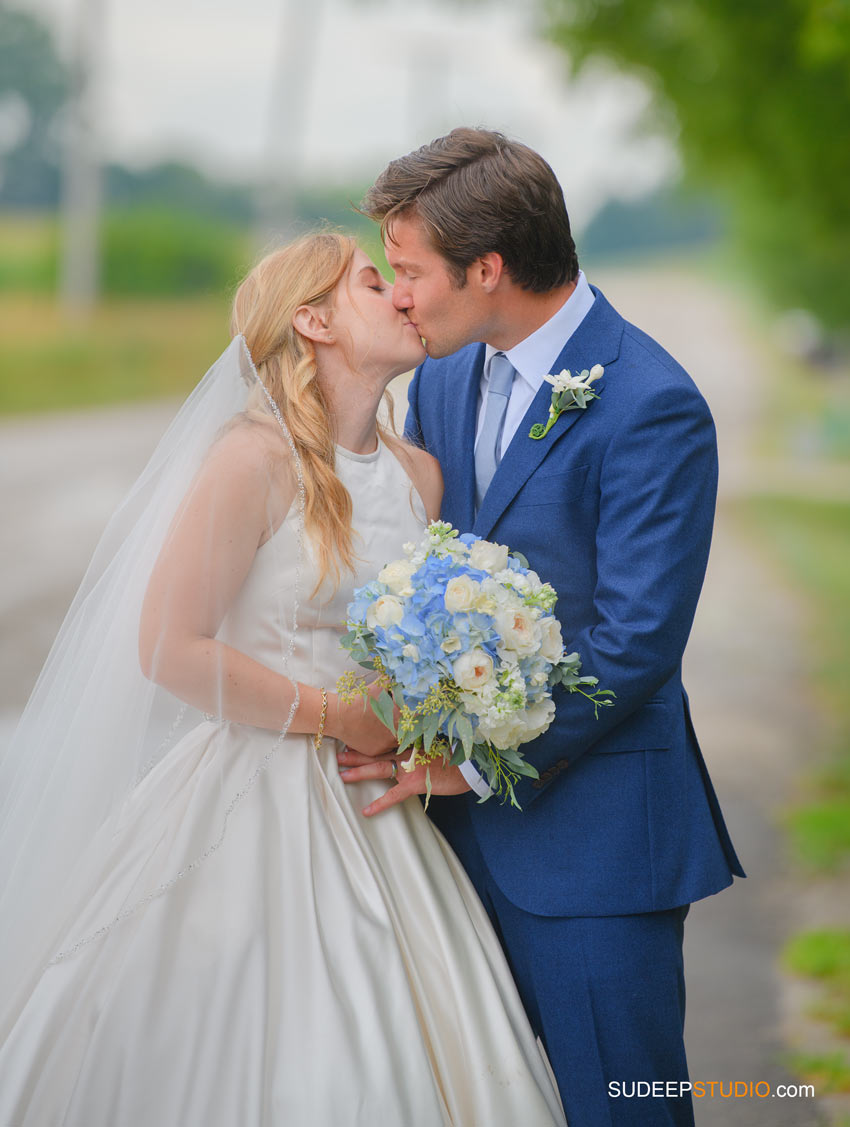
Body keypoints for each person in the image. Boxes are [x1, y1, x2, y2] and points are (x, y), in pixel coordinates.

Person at [0, 232, 566, 1126]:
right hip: (250, 790)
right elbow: (170, 645)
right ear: (313, 320)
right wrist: (340, 716)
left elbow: (409, 640)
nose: (405, 299)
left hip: (377, 801)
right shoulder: (252, 458)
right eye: (378, 283)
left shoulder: (421, 478)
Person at [338, 128, 746, 1126]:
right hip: (444, 845)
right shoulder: (440, 376)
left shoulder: (652, 403)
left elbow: (635, 640)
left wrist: (476, 763)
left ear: (487, 268)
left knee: (622, 1105)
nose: (398, 293)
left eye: (410, 270)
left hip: (594, 845)